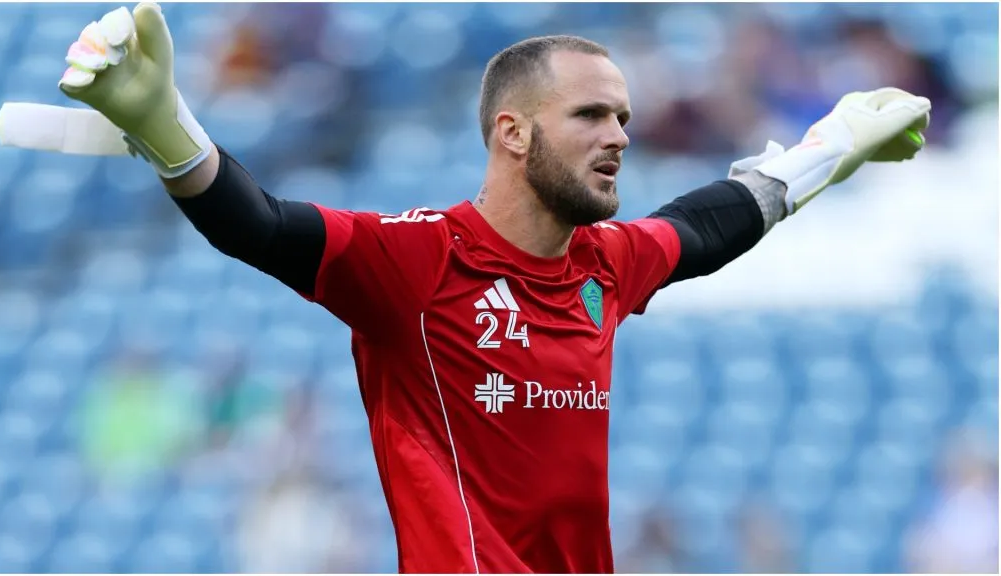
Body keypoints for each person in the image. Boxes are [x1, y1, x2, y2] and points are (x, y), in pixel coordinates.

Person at [57, 3, 931, 573]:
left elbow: (705, 227)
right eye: (590, 115)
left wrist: (831, 144)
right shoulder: (415, 259)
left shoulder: (605, 264)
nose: (618, 135)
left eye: (623, 115)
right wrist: (162, 125)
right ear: (512, 133)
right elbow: (263, 225)